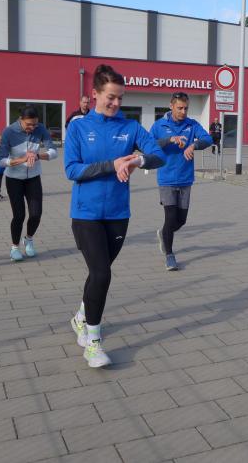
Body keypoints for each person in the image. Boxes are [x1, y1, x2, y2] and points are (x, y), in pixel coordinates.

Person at [65, 64, 165, 367]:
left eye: (121, 97)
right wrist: (112, 165)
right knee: (101, 274)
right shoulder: (78, 127)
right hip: (86, 214)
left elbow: (159, 155)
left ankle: (81, 316)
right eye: (111, 97)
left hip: (118, 214)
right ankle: (93, 343)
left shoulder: (130, 127)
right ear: (95, 94)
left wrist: (136, 161)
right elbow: (72, 170)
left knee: (99, 273)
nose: (116, 103)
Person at [150, 92, 214, 271]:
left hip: (186, 178)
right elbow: (148, 144)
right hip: (166, 178)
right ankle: (169, 255)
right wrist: (170, 140)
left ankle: (164, 233)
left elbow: (208, 139)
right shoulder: (159, 125)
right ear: (171, 106)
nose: (183, 112)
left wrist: (193, 145)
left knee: (181, 220)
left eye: (186, 108)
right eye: (180, 108)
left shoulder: (191, 124)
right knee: (170, 217)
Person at [0, 107, 58, 261]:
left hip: (33, 177)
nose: (32, 128)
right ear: (20, 120)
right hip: (14, 179)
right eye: (29, 124)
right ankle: (14, 247)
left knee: (36, 214)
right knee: (19, 215)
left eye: (35, 124)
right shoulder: (9, 132)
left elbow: (53, 152)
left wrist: (37, 156)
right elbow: (1, 161)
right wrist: (21, 159)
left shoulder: (40, 129)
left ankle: (29, 239)